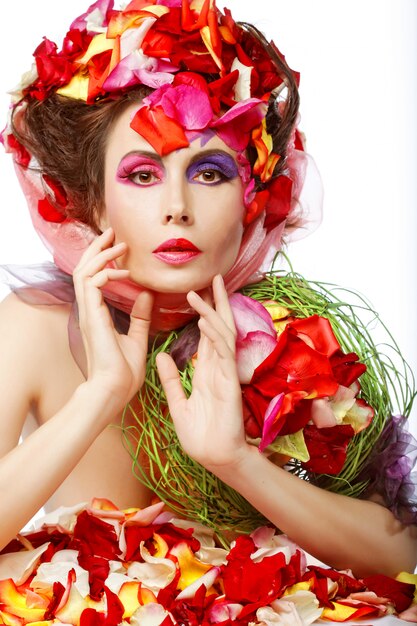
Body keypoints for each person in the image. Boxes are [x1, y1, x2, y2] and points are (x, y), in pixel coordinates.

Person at [0, 0, 416, 621]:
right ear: (91, 206)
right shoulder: (33, 326)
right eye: (142, 175)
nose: (177, 207)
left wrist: (238, 462)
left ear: (254, 201)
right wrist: (100, 396)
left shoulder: (283, 334)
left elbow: (399, 551)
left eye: (211, 172)